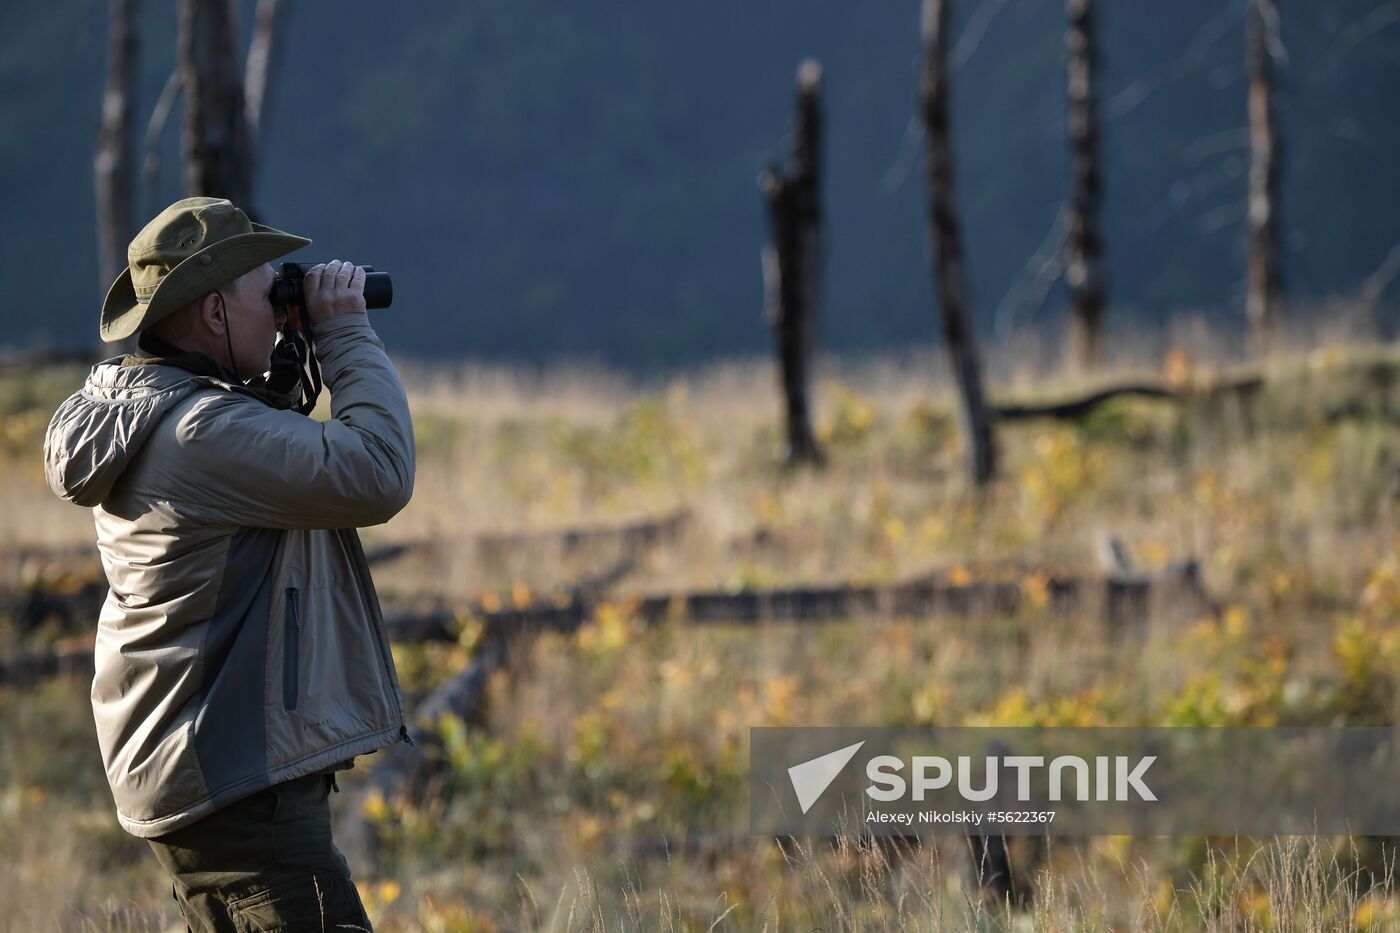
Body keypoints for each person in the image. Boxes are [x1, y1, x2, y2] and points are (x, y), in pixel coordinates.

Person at [42, 197, 415, 930]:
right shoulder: (201, 431)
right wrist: (344, 332)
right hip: (237, 789)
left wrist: (284, 346)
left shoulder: (150, 408)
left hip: (201, 774)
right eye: (264, 284)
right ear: (214, 313)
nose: (281, 298)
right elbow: (378, 471)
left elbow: (264, 441)